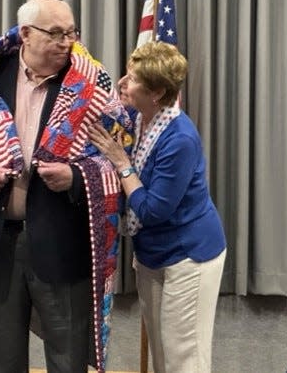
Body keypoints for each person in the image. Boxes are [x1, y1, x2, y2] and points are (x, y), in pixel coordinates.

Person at [0, 0, 131, 373]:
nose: (67, 42)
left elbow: (117, 158)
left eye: (72, 32)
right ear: (26, 35)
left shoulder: (92, 84)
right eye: (56, 34)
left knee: (69, 360)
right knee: (2, 362)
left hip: (64, 243)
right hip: (0, 244)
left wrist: (76, 178)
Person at [89, 41, 227, 373]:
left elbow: (152, 210)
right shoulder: (137, 118)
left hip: (189, 254)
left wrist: (122, 164)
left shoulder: (179, 139)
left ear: (157, 92)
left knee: (184, 356)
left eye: (133, 78)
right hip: (151, 252)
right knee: (161, 354)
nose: (123, 83)